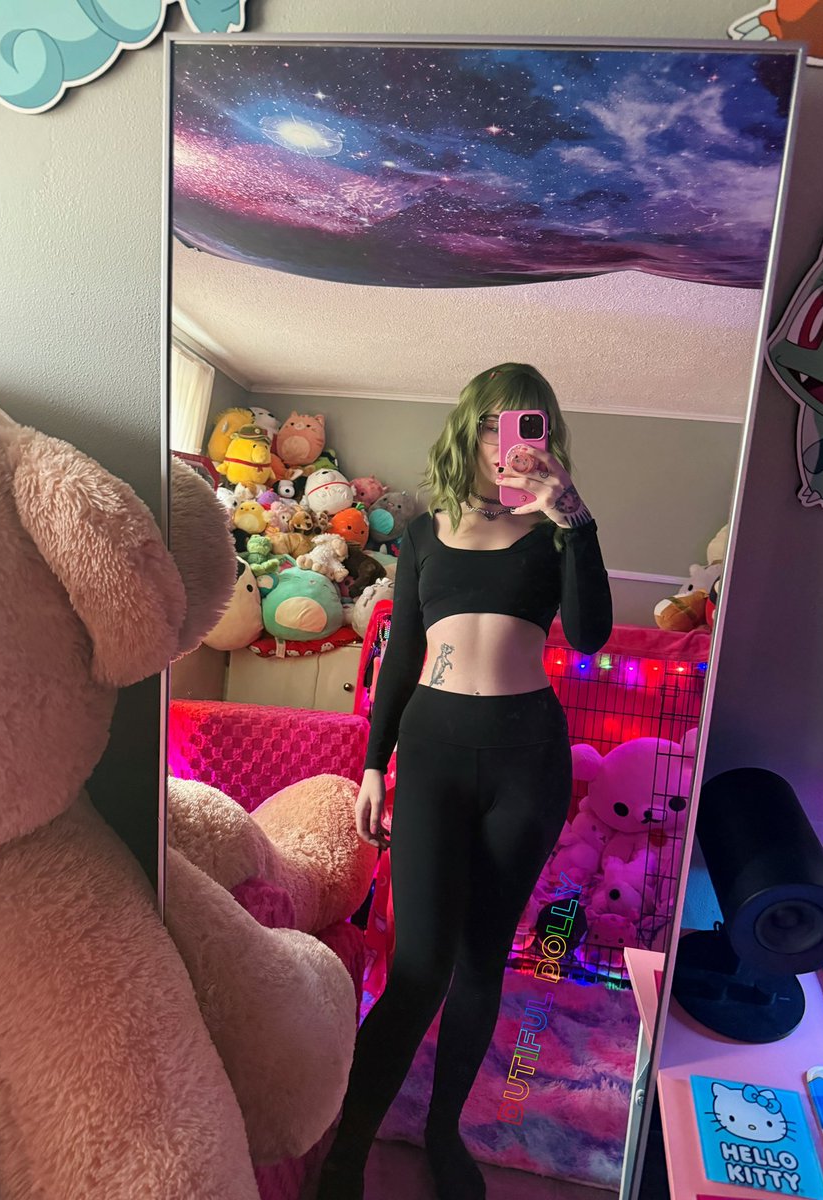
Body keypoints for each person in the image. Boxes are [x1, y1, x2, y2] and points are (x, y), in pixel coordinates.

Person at [317, 363, 612, 1200]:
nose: (508, 444)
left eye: (527, 426)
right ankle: (346, 1153)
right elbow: (401, 657)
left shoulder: (558, 530)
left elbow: (590, 635)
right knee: (418, 967)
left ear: (546, 438)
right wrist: (373, 765)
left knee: (482, 961)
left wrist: (574, 519)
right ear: (469, 430)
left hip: (527, 758)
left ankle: (444, 1135)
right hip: (435, 754)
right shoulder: (422, 534)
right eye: (494, 424)